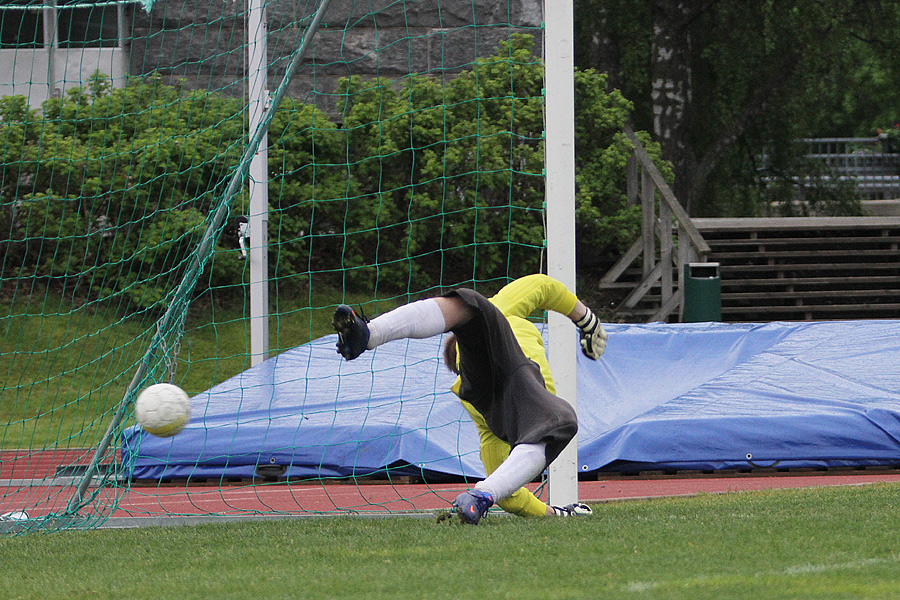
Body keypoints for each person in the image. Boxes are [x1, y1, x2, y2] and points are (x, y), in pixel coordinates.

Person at [332, 274, 608, 524]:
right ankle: (482, 495)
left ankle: (369, 334)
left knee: (468, 305)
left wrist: (552, 512)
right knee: (560, 422)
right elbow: (544, 286)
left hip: (481, 394)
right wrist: (587, 320)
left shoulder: (478, 408)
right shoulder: (504, 312)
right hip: (518, 379)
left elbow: (509, 494)